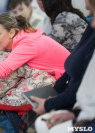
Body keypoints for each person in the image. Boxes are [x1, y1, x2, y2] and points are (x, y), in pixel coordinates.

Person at [34, 0, 95, 132]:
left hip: (83, 109)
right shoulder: (89, 27)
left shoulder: (64, 17)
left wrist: (49, 104)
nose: (38, 2)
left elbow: (45, 48)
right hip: (79, 105)